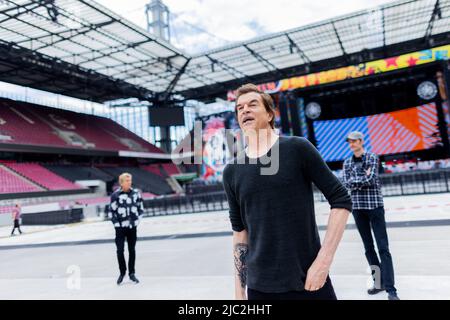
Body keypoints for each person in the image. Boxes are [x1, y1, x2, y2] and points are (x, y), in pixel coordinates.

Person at [222, 84, 352, 300]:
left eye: (252, 104)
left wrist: (323, 262)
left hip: (309, 282)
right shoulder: (232, 171)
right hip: (259, 289)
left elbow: (341, 200)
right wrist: (239, 293)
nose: (244, 110)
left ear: (270, 114)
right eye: (240, 108)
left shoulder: (298, 149)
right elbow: (240, 233)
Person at [343, 131, 399, 300]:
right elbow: (346, 183)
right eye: (350, 142)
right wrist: (362, 179)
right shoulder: (347, 163)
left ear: (361, 141)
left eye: (354, 141)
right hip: (358, 209)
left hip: (375, 207)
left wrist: (356, 181)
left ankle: (391, 290)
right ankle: (379, 283)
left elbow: (372, 179)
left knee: (383, 248)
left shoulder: (372, 158)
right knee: (368, 249)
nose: (351, 144)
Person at [109, 173, 144, 285]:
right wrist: (116, 225)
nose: (129, 182)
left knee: (132, 250)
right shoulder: (115, 195)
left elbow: (141, 209)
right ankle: (122, 273)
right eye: (127, 180)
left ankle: (132, 273)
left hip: (132, 227)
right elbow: (111, 212)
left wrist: (137, 221)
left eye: (130, 180)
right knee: (120, 251)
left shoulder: (136, 194)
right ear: (121, 182)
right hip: (120, 228)